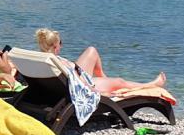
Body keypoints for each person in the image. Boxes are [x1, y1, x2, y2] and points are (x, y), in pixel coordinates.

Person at [35, 28, 166, 96]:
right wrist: (99, 93)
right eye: (60, 43)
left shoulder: (40, 58)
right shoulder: (57, 62)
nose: (61, 46)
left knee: (91, 50)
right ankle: (151, 85)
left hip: (66, 84)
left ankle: (104, 79)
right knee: (120, 82)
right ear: (55, 46)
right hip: (80, 87)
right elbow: (79, 84)